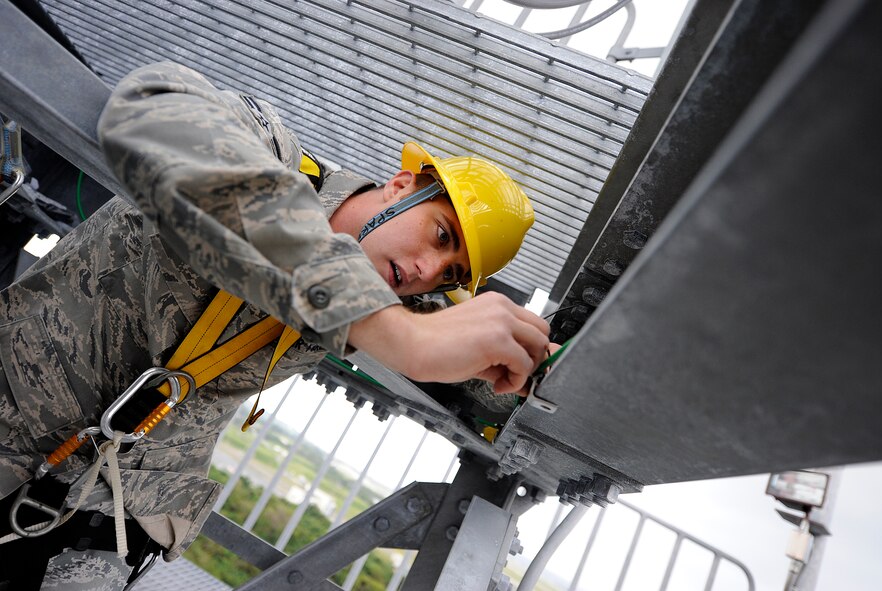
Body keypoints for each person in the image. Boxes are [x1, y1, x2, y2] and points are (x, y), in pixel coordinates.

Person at [0, 61, 549, 589]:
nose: (428, 270)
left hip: (112, 515)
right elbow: (156, 107)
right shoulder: (271, 156)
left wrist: (542, 362)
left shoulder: (407, 302)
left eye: (449, 273)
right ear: (403, 186)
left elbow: (502, 389)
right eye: (441, 235)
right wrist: (382, 325)